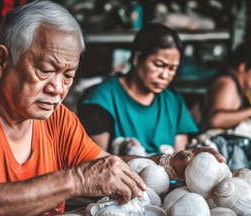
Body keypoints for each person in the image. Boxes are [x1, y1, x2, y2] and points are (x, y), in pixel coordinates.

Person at [0, 1, 225, 216]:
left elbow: (107, 167)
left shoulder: (59, 120)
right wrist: (75, 181)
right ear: (2, 61)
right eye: (46, 70)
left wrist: (171, 164)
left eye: (68, 76)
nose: (57, 88)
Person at [78, 23, 199, 155]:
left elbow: (180, 159)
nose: (164, 75)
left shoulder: (173, 102)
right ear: (137, 58)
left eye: (172, 68)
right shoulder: (100, 100)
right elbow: (96, 164)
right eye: (159, 65)